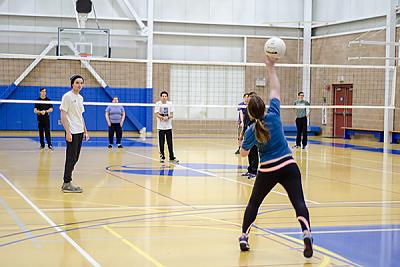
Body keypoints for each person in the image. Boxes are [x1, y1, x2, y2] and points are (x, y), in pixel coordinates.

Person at [238, 57, 313, 258]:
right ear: (264, 107)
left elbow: (244, 154)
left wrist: (246, 142)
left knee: (254, 203)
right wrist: (270, 68)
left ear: (250, 114)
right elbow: (275, 89)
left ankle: (244, 236)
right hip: (289, 165)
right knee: (298, 202)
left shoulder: (251, 130)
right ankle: (306, 235)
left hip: (267, 170)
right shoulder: (274, 113)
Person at [60, 74, 89, 193]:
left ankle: (68, 182)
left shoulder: (81, 98)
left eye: (81, 83)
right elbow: (63, 115)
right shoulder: (67, 96)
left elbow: (80, 116)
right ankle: (67, 183)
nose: (79, 85)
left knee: (76, 158)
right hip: (71, 131)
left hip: (80, 131)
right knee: (71, 158)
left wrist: (85, 131)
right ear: (72, 84)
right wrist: (68, 132)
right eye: (77, 82)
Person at [154, 91, 179, 164]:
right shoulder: (158, 104)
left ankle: (172, 157)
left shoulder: (170, 104)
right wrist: (162, 117)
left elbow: (172, 115)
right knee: (161, 143)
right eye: (163, 96)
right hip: (160, 128)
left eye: (165, 96)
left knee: (170, 143)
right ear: (161, 97)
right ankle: (162, 157)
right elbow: (157, 114)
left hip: (168, 127)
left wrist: (167, 117)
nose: (164, 97)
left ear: (167, 97)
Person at [239, 91, 258, 179]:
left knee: (254, 152)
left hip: (253, 133)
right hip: (247, 132)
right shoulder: (246, 109)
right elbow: (246, 122)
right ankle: (250, 170)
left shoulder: (256, 109)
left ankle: (254, 171)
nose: (248, 98)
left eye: (249, 97)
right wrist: (242, 133)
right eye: (248, 97)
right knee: (249, 152)